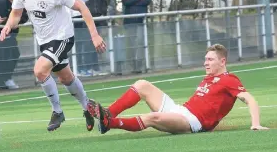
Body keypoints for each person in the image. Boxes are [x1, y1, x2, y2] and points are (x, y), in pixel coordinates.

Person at [0, 0, 106, 132]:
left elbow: (82, 7)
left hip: (63, 37)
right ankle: (88, 107)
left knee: (40, 70)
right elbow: (16, 13)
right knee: (66, 78)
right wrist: (8, 25)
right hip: (45, 41)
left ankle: (57, 111)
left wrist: (94, 35)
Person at [87, 44, 269, 134]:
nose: (205, 63)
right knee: (142, 84)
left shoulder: (229, 79)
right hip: (180, 110)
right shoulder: (210, 77)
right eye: (205, 59)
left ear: (223, 62)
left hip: (193, 122)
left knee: (152, 118)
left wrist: (255, 123)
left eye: (210, 60)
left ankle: (109, 124)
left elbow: (250, 99)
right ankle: (108, 113)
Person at [0, 0, 28, 89]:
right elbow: (4, 19)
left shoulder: (18, 2)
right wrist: (14, 21)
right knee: (3, 57)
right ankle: (1, 80)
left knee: (14, 54)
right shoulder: (1, 3)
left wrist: (16, 21)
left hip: (11, 35)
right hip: (1, 36)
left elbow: (25, 16)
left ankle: (6, 78)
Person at [122, 0, 151, 73]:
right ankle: (133, 66)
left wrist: (133, 1)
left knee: (140, 42)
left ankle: (141, 65)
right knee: (131, 44)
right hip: (129, 21)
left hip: (140, 20)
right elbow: (126, 2)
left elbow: (147, 0)